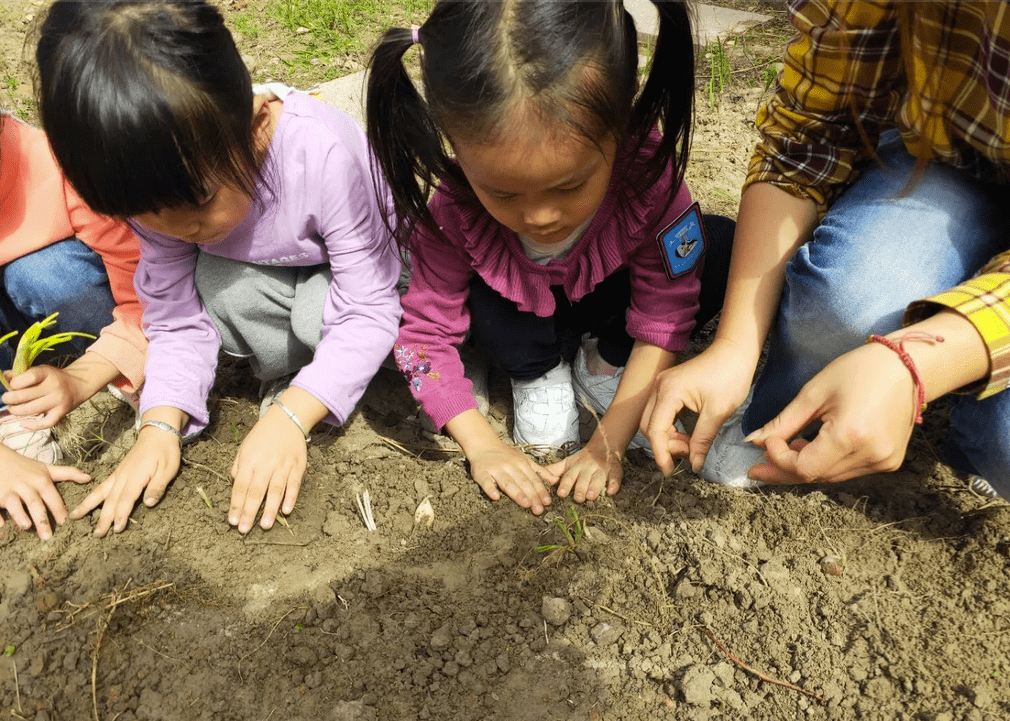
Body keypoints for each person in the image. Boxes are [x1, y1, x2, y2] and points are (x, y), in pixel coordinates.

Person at [35, 0, 402, 536]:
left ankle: (365, 376)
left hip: (384, 273)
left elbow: (369, 301)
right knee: (218, 286)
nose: (178, 230)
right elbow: (175, 315)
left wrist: (292, 416)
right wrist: (159, 424)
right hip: (283, 278)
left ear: (253, 128)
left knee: (320, 315)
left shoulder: (320, 152)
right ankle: (304, 377)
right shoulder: (153, 186)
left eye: (200, 203)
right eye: (145, 217)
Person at [366, 0, 733, 515]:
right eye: (504, 194)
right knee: (491, 308)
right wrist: (481, 444)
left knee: (720, 247)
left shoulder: (648, 177)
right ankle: (535, 372)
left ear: (621, 121)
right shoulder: (452, 210)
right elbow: (423, 340)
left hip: (607, 301)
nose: (540, 218)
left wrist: (608, 442)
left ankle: (605, 360)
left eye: (570, 185)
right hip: (515, 321)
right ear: (456, 147)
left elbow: (667, 307)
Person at [641, 0, 1010, 498]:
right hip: (948, 154)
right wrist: (735, 345)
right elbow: (807, 137)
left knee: (1002, 445)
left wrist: (916, 367)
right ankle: (783, 419)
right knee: (846, 306)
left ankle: (974, 424)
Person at [0, 111, 147, 540]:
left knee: (47, 274)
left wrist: (85, 377)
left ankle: (122, 365)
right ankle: (10, 412)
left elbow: (147, 297)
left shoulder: (63, 166)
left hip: (62, 297)